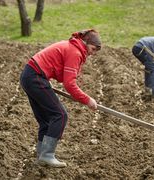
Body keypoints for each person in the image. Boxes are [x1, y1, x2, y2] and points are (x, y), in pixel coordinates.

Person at [20, 29, 101, 168]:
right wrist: (88, 100)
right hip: (35, 77)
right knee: (60, 115)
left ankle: (41, 156)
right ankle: (47, 155)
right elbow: (69, 84)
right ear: (86, 42)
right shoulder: (75, 52)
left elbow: (60, 74)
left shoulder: (71, 46)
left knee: (46, 120)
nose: (93, 53)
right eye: (93, 49)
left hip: (29, 76)